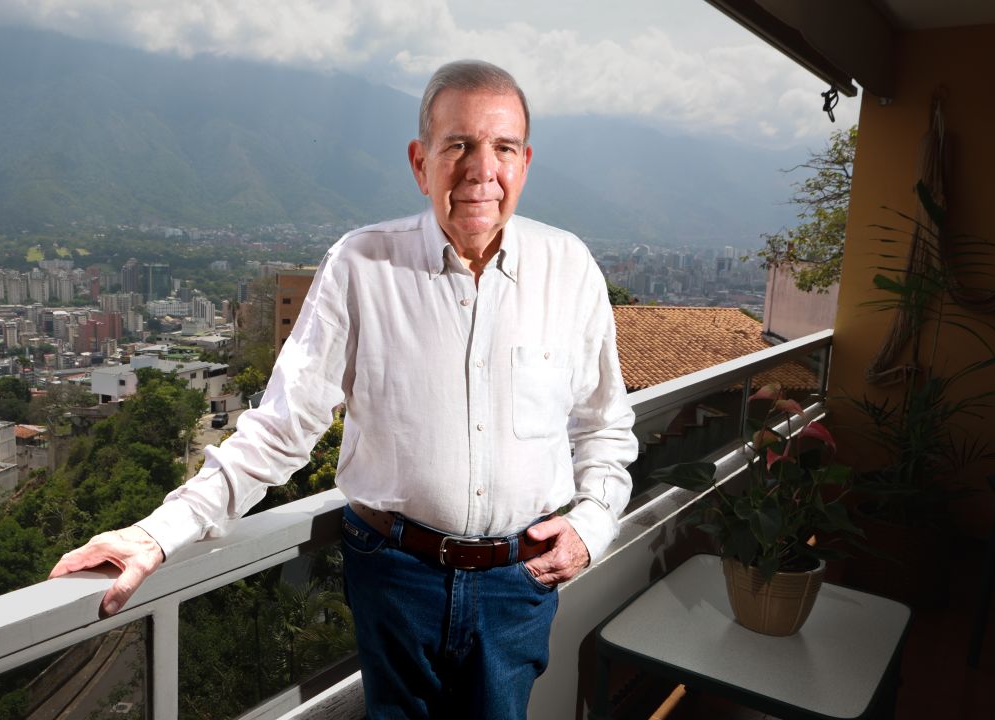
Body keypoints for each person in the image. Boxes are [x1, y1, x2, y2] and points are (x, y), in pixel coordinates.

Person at [50, 60, 637, 719]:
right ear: (420, 163)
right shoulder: (361, 266)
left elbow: (603, 426)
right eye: (458, 145)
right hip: (394, 575)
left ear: (524, 163)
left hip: (516, 581)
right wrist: (159, 534)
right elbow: (282, 426)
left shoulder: (570, 271)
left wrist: (593, 524)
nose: (481, 170)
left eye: (502, 148)